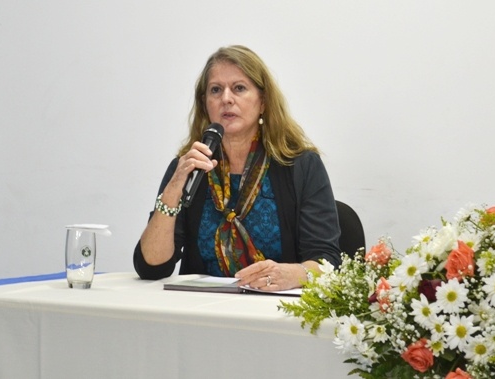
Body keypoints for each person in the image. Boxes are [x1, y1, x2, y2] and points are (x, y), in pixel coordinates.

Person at [133, 45, 341, 290]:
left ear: (263, 102)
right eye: (216, 90)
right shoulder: (191, 167)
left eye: (239, 88)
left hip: (275, 311)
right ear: (205, 104)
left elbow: (327, 262)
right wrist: (174, 188)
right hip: (200, 311)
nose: (226, 99)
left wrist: (291, 274)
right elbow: (151, 267)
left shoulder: (300, 165)